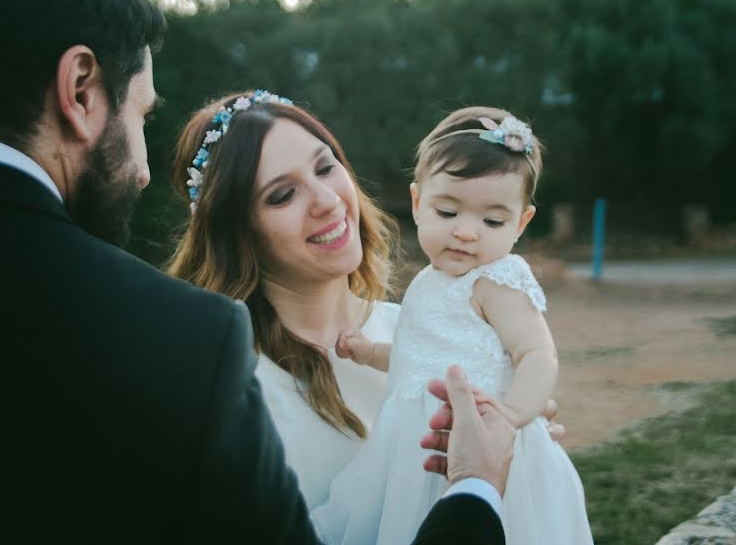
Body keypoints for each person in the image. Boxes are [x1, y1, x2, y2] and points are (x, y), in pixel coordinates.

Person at [0, 0, 515, 543]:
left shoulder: (418, 331)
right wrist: (477, 489)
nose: (142, 171)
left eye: (325, 167)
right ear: (79, 91)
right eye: (141, 115)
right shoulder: (186, 354)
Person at [166, 92, 564, 534]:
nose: (326, 201)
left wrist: (517, 440)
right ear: (237, 231)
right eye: (282, 195)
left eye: (325, 167)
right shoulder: (237, 388)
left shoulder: (413, 329)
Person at [310, 107, 594, 544]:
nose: (466, 232)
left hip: (484, 446)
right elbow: (420, 355)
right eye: (447, 212)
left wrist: (514, 414)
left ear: (521, 223)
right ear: (418, 203)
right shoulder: (428, 281)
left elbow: (537, 354)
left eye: (492, 221)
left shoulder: (498, 282)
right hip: (410, 450)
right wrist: (369, 353)